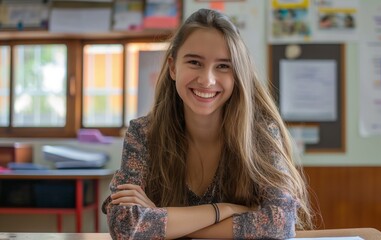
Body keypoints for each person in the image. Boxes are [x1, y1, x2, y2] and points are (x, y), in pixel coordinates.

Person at [102, 8, 313, 239]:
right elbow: (126, 226)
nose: (207, 80)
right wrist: (225, 210)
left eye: (223, 66)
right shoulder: (143, 133)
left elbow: (280, 226)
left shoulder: (262, 134)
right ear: (173, 67)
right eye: (194, 62)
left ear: (237, 74)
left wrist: (161, 221)